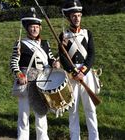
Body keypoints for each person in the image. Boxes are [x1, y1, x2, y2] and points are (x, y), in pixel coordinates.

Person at [10, 7, 60, 140]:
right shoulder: (20, 43)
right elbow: (14, 62)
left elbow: (50, 58)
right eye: (31, 27)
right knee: (24, 115)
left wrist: (55, 62)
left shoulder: (45, 43)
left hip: (42, 82)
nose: (34, 29)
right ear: (27, 28)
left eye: (36, 27)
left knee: (41, 114)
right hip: (26, 81)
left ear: (40, 28)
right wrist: (19, 75)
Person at [58, 0, 100, 140]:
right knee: (73, 110)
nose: (77, 18)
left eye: (79, 15)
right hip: (71, 75)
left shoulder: (88, 33)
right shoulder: (63, 35)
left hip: (85, 73)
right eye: (74, 16)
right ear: (69, 17)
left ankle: (94, 138)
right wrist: (73, 72)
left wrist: (82, 71)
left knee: (90, 109)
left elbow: (91, 54)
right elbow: (62, 57)